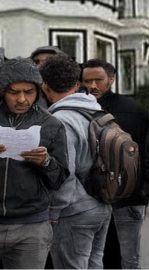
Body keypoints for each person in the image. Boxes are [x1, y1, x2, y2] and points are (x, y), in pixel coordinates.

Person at [0, 58, 69, 269]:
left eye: (29, 92)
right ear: (2, 91)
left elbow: (60, 179)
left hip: (31, 226)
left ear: (38, 91)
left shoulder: (51, 123)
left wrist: (46, 162)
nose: (22, 99)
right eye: (14, 92)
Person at [82, 59, 149, 269]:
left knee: (110, 257)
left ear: (111, 79)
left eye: (98, 80)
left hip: (118, 198)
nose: (92, 86)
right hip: (118, 196)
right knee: (121, 258)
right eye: (87, 81)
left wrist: (142, 191)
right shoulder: (135, 109)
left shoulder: (134, 111)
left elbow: (146, 155)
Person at [40, 54, 110, 269]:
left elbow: (65, 173)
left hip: (74, 209)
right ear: (77, 84)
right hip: (103, 202)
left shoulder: (60, 120)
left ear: (44, 86)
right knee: (94, 264)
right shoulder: (96, 110)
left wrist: (54, 211)